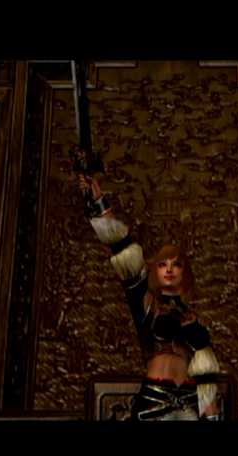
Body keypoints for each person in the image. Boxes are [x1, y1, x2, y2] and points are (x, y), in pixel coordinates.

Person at [77, 168, 221, 421]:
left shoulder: (191, 316)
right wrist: (99, 202)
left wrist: (213, 419)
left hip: (188, 405)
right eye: (163, 264)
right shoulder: (145, 301)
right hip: (154, 404)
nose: (169, 269)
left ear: (185, 272)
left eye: (176, 265)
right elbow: (121, 247)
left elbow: (206, 380)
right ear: (155, 269)